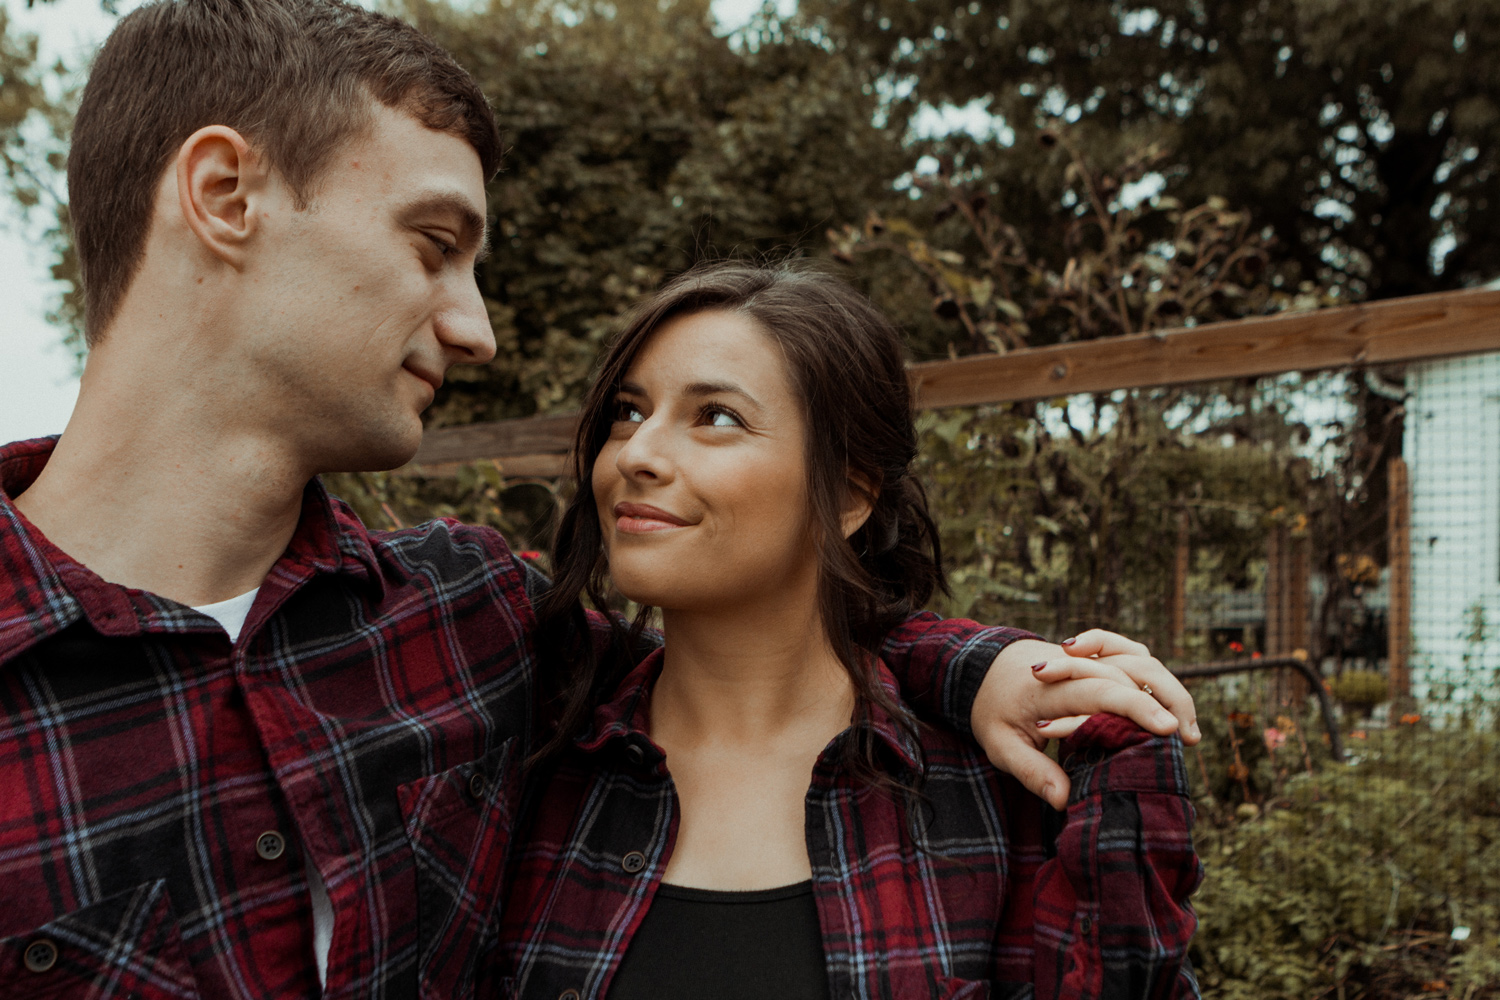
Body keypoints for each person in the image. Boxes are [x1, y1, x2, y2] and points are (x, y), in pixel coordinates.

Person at [0, 1, 1198, 997]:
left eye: (712, 413)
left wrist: (985, 670)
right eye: (433, 242)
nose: (476, 330)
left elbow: (760, 638)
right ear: (225, 194)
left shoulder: (460, 625)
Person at [498, 262, 1203, 1000]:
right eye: (628, 410)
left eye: (717, 417)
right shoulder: (531, 757)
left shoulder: (993, 792)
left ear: (847, 495)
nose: (636, 454)